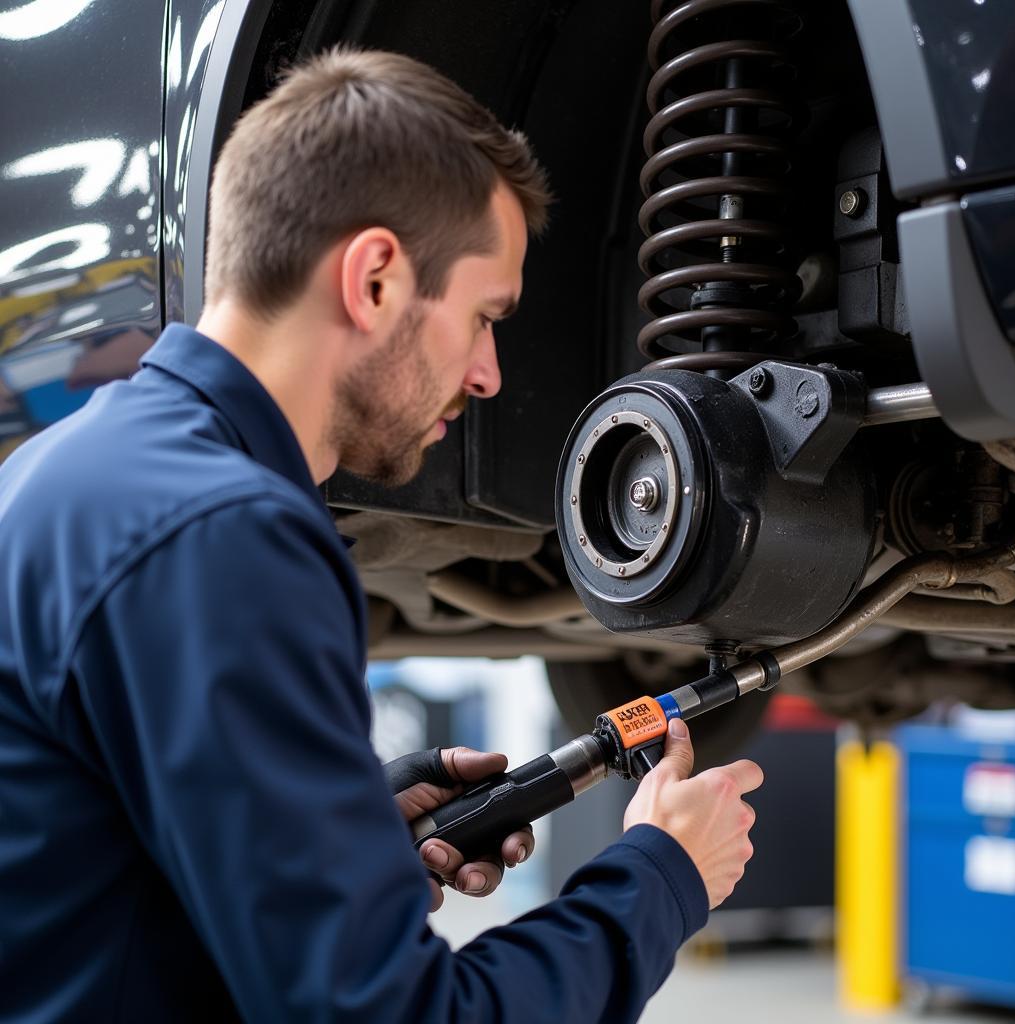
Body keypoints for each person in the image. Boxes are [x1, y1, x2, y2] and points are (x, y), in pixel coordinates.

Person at [0, 48, 763, 1022]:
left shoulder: (79, 469)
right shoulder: (223, 534)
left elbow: (106, 890)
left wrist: (337, 829)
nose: (489, 373)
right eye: (485, 316)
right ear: (373, 279)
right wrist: (660, 878)